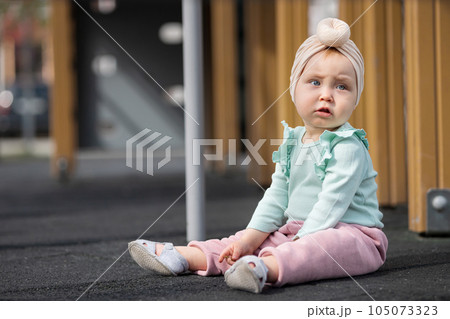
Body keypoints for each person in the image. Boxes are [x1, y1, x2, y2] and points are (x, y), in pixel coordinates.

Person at [128, 17, 388, 294]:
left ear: (356, 96)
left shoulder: (347, 145)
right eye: (315, 82)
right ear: (293, 88)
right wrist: (251, 238)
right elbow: (277, 195)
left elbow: (332, 203)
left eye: (342, 86)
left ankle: (265, 269)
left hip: (352, 236)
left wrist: (300, 240)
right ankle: (185, 256)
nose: (327, 95)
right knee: (244, 242)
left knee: (321, 249)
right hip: (296, 230)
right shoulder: (293, 141)